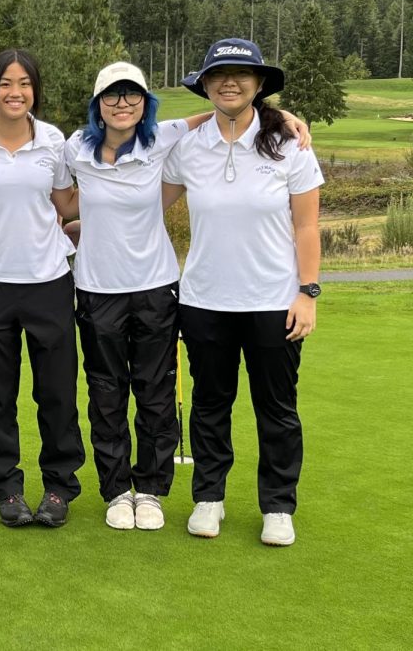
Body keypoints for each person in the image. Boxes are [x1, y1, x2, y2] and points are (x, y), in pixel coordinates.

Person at [64, 61, 308, 532]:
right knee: (105, 394)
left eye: (132, 94)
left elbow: (222, 112)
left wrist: (283, 115)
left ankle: (151, 491)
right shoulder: (75, 147)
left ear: (144, 103)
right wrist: (70, 229)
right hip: (95, 288)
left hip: (156, 286)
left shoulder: (163, 137)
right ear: (97, 104)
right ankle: (117, 491)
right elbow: (56, 198)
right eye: (112, 96)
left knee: (155, 395)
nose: (122, 103)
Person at [162, 38, 323, 547]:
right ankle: (209, 499)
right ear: (205, 85)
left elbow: (307, 228)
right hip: (205, 299)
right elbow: (146, 204)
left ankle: (278, 506)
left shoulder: (289, 143)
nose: (229, 83)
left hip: (275, 302)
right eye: (218, 75)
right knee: (211, 404)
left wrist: (308, 293)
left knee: (277, 408)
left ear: (258, 85)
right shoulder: (189, 146)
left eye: (240, 75)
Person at [0, 49, 85, 528]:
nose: (16, 92)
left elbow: (66, 200)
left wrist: (87, 220)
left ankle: (58, 487)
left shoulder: (53, 140)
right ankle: (6, 488)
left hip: (49, 280)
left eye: (25, 83)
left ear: (36, 89)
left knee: (56, 394)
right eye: (6, 83)